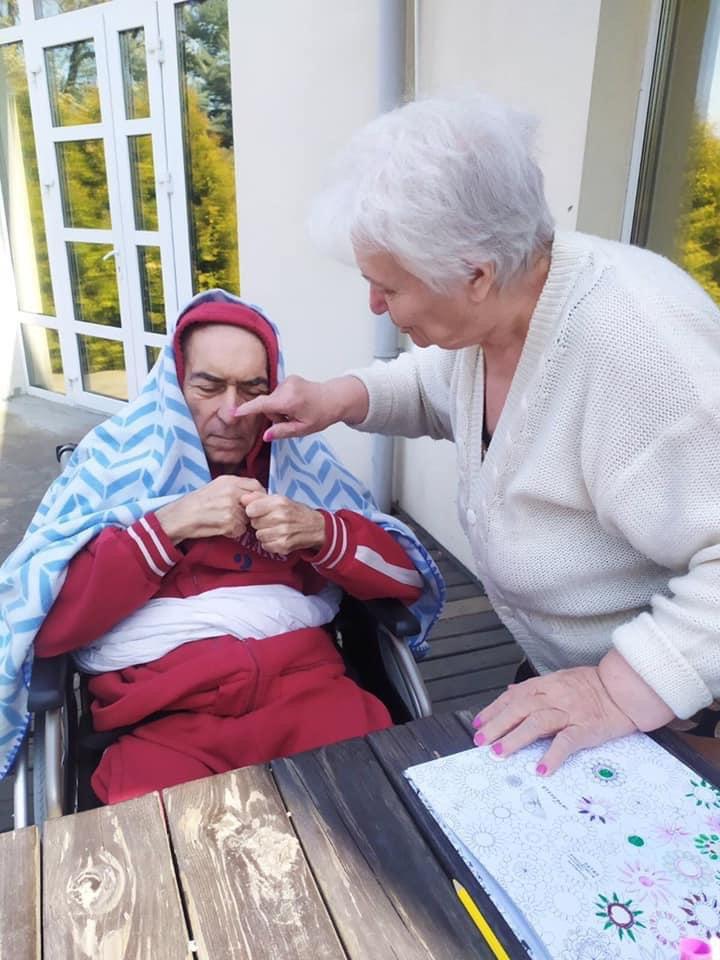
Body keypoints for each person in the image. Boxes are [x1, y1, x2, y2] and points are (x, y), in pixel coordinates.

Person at [237, 93, 720, 775]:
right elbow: (439, 385)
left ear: (475, 275)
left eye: (388, 287)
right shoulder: (501, 312)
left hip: (687, 712)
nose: (374, 305)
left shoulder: (642, 349)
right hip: (577, 673)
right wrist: (336, 398)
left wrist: (616, 688)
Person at [1, 291, 443, 803]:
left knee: (386, 814)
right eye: (208, 386)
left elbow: (405, 579)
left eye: (253, 390)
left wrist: (322, 532)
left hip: (310, 696)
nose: (231, 412)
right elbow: (46, 623)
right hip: (162, 722)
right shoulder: (115, 463)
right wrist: (167, 527)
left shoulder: (299, 466)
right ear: (173, 386)